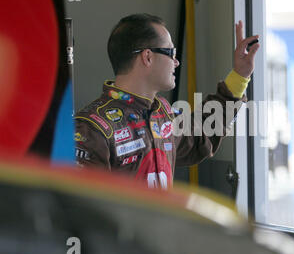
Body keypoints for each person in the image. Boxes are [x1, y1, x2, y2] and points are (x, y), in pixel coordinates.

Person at [74, 13, 259, 189]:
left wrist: (239, 77)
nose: (176, 62)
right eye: (171, 52)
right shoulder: (92, 128)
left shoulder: (161, 112)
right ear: (147, 57)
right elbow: (82, 212)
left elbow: (202, 134)